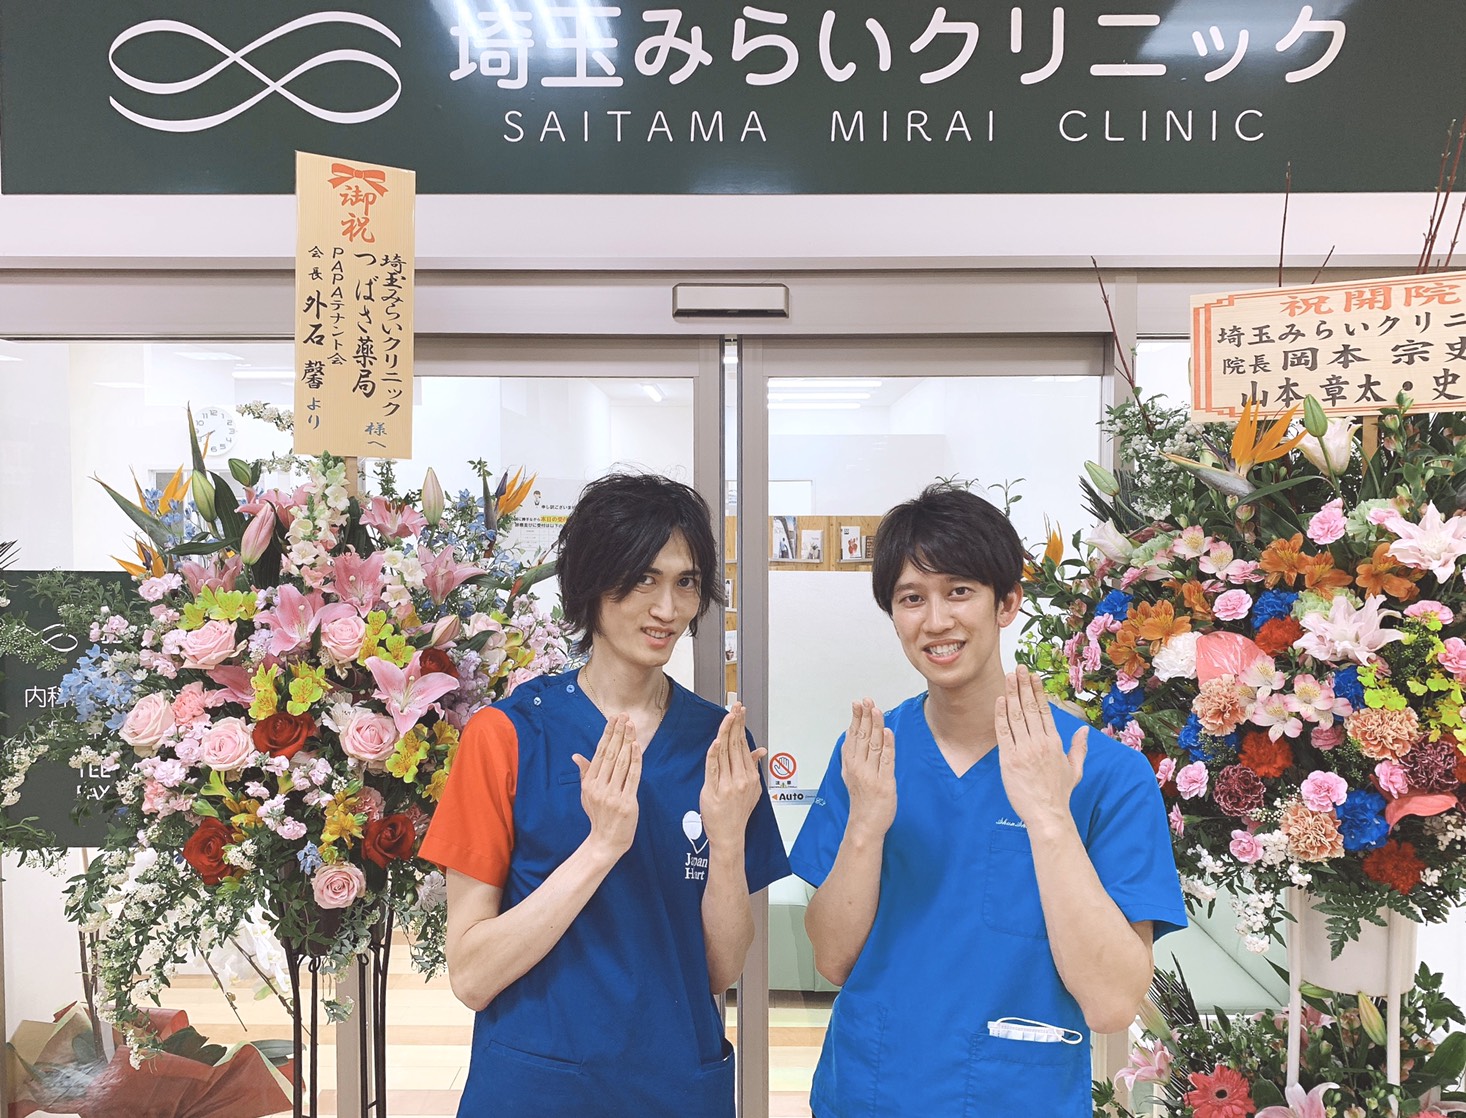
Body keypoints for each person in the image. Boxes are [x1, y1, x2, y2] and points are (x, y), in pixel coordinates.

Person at [789, 483, 1186, 1117]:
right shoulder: (870, 755)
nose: (936, 621)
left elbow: (1113, 1004)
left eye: (959, 591)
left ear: (1007, 603)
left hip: (1016, 1096)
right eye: (911, 598)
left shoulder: (1107, 775)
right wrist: (865, 825)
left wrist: (1050, 821)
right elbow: (833, 959)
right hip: (869, 1089)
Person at [421, 472, 790, 1117]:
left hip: (676, 1083)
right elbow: (472, 975)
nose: (668, 608)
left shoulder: (718, 746)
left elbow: (719, 969)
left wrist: (728, 841)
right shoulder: (508, 735)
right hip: (539, 1089)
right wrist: (600, 848)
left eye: (686, 582)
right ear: (591, 582)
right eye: (644, 578)